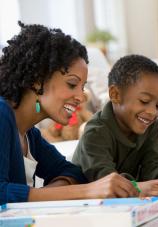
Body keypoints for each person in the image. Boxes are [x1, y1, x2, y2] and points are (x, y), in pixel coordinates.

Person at [0, 22, 146, 204]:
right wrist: (86, 191)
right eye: (71, 84)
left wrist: (53, 193)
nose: (81, 96)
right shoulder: (2, 114)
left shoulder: (29, 134)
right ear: (37, 80)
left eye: (83, 87)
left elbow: (72, 172)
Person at [72, 54, 158, 196]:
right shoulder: (95, 133)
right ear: (115, 94)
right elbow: (107, 181)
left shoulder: (151, 126)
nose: (153, 112)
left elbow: (154, 162)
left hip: (127, 205)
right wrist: (141, 187)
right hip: (88, 209)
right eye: (144, 101)